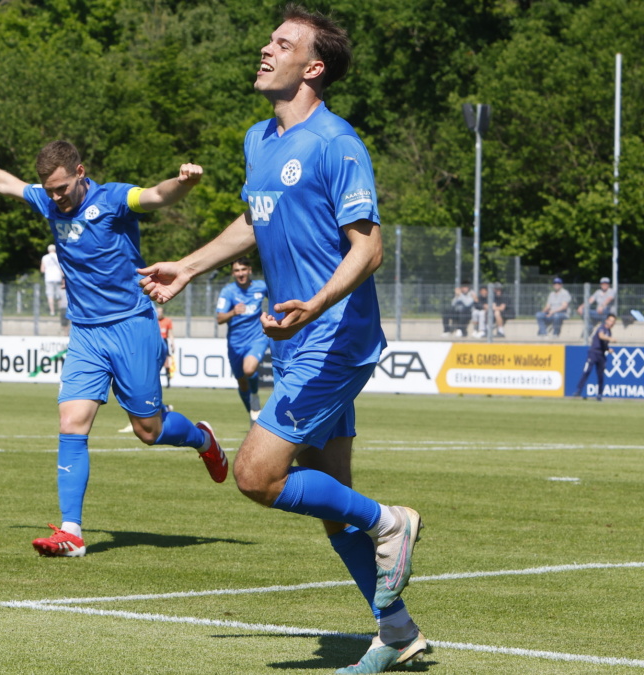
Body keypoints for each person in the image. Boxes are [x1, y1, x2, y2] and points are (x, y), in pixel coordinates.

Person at [138, 7, 427, 672]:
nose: (265, 50)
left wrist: (318, 303)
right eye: (269, 40)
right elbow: (256, 217)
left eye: (283, 43)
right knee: (331, 502)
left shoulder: (337, 143)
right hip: (297, 340)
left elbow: (370, 247)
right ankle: (397, 629)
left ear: (314, 67)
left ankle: (392, 522)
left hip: (335, 337)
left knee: (256, 475)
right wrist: (188, 263)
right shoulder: (258, 139)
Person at [0, 138, 228, 559]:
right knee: (71, 422)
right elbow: (3, 183)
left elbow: (154, 195)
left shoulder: (114, 198)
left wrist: (183, 182)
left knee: (148, 431)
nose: (56, 198)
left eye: (62, 188)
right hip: (85, 333)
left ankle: (202, 440)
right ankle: (72, 531)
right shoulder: (48, 201)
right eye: (49, 191)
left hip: (131, 327)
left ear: (80, 173)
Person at [216, 257, 270, 422]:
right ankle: (253, 417)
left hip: (257, 338)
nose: (240, 273)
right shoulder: (228, 291)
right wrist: (232, 312)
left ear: (250, 270)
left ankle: (254, 396)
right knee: (242, 382)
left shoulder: (262, 287)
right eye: (237, 270)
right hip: (235, 344)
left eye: (243, 269)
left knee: (249, 369)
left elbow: (279, 298)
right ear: (233, 273)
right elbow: (219, 318)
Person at [572, 313, 617, 401]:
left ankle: (599, 395)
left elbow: (603, 344)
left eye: (613, 322)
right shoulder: (602, 328)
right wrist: (610, 339)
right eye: (610, 321)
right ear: (607, 320)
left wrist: (608, 349)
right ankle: (578, 391)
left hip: (601, 355)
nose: (612, 323)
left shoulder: (609, 332)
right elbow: (601, 336)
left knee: (601, 376)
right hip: (593, 353)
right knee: (587, 371)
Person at [40, 243, 63, 316]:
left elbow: (42, 269)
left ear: (48, 250)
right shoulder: (58, 256)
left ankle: (52, 312)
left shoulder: (45, 257)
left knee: (50, 295)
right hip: (58, 277)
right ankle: (60, 311)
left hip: (49, 278)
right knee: (59, 295)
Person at [157, 304, 175, 389]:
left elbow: (170, 333)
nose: (159, 313)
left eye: (160, 312)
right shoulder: (153, 321)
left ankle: (168, 383)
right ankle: (155, 382)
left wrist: (172, 343)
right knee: (155, 363)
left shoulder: (167, 321)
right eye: (157, 312)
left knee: (166, 363)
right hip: (156, 342)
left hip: (164, 342)